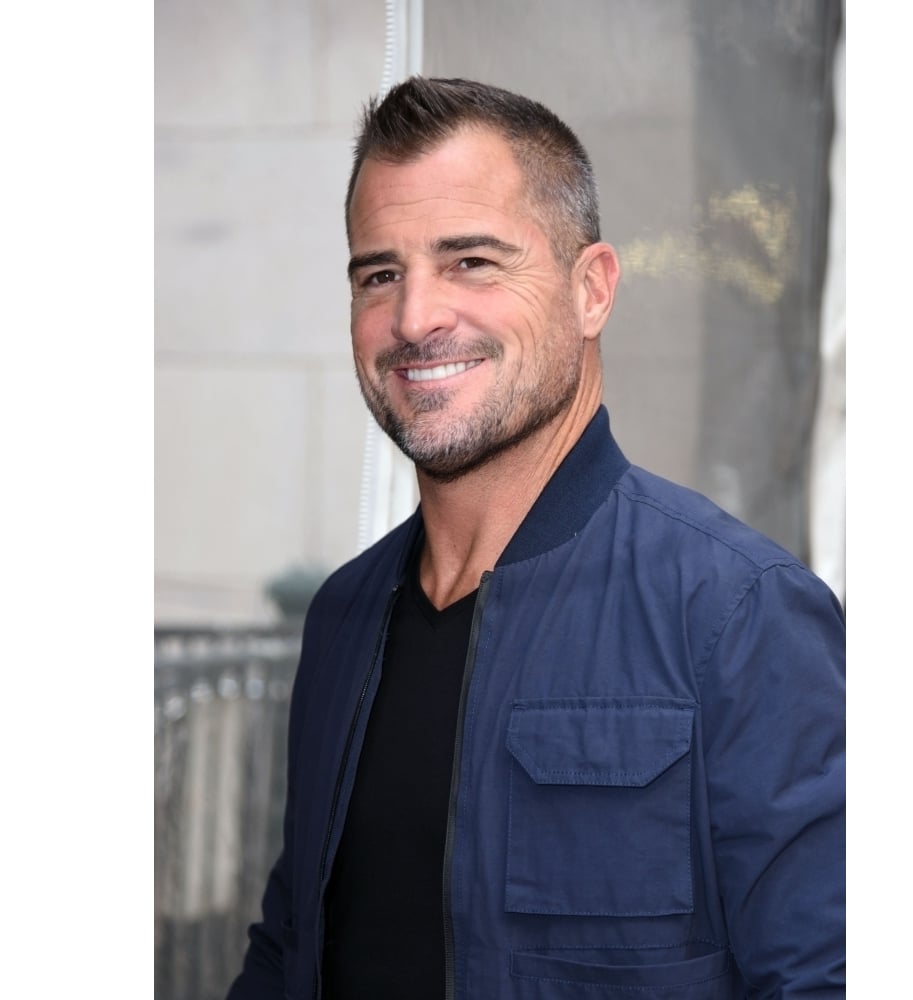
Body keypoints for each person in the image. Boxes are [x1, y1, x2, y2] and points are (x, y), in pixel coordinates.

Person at [227, 76, 845, 1000]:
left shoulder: (736, 612)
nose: (414, 318)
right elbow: (290, 957)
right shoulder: (345, 617)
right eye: (379, 274)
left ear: (591, 290)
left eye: (472, 260)